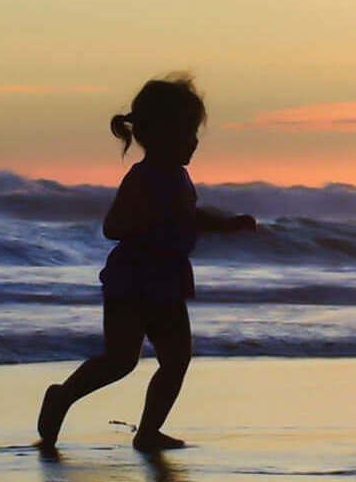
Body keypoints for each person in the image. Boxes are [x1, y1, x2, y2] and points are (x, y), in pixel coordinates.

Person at [36, 76, 256, 454]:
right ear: (159, 134)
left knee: (176, 359)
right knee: (120, 360)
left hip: (166, 282)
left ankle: (149, 431)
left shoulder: (179, 177)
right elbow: (112, 227)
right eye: (187, 132)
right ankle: (62, 396)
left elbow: (189, 216)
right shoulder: (142, 178)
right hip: (134, 281)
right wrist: (152, 221)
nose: (194, 142)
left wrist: (227, 224)